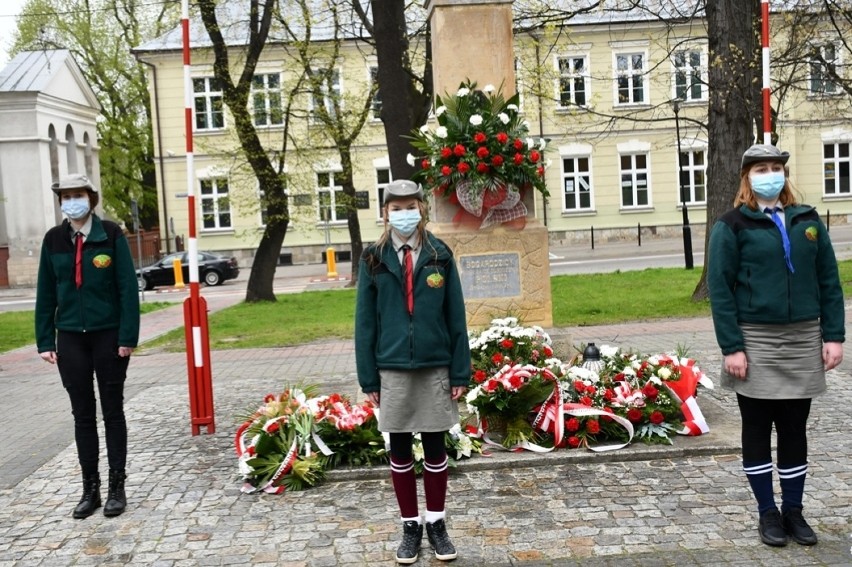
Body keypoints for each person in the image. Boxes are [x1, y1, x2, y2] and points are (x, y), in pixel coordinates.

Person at [707, 144, 844, 547]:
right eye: (761, 168)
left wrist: (833, 336)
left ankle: (794, 512)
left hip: (802, 337)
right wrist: (732, 346)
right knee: (757, 427)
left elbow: (829, 283)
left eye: (776, 167)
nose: (770, 174)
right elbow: (721, 288)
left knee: (793, 428)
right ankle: (767, 512)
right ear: (747, 177)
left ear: (785, 173)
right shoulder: (732, 225)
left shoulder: (808, 220)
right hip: (755, 340)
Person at [355, 179, 470, 564]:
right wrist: (368, 377)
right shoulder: (373, 258)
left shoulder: (439, 254)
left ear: (421, 208)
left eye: (410, 206)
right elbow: (364, 323)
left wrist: (459, 371)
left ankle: (436, 524)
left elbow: (455, 315)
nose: (404, 213)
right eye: (396, 207)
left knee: (436, 448)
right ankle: (410, 527)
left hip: (435, 365)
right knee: (400, 449)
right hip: (392, 369)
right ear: (386, 212)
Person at [35, 173, 140, 519]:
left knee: (112, 411)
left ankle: (116, 488)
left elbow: (127, 288)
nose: (71, 201)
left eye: (77, 194)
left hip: (108, 336)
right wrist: (44, 340)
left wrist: (128, 337)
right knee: (82, 415)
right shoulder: (53, 240)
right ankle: (89, 490)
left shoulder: (110, 234)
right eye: (65, 196)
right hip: (70, 339)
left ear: (90, 198)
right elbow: (46, 293)